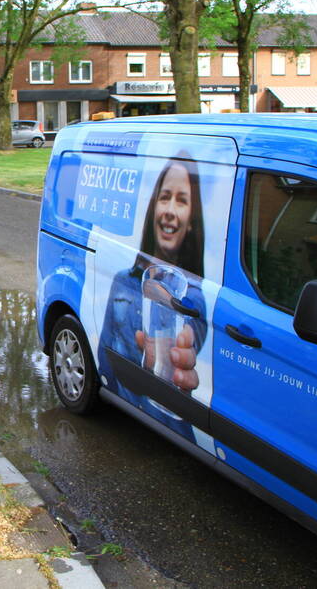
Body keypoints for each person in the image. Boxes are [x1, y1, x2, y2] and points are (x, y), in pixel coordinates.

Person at [96, 152, 207, 442]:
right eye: (164, 197)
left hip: (171, 425)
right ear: (153, 207)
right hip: (123, 421)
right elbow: (104, 352)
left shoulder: (194, 296)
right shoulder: (124, 279)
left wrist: (178, 355)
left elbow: (189, 338)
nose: (169, 209)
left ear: (192, 221)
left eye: (181, 200)